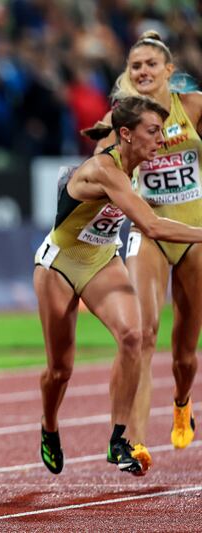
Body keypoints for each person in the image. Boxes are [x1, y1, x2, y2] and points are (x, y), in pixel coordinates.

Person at [34, 94, 202, 477]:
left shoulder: (134, 165)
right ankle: (49, 424)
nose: (160, 139)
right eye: (153, 131)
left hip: (101, 260)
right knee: (60, 370)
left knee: (134, 335)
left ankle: (119, 439)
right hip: (59, 266)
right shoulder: (105, 170)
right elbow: (154, 226)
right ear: (126, 135)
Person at [83, 31, 202, 474]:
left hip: (192, 232)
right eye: (136, 66)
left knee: (185, 352)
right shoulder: (124, 118)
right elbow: (101, 157)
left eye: (152, 64)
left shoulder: (192, 108)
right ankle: (132, 441)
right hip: (149, 233)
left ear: (169, 71)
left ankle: (182, 402)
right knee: (144, 334)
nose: (144, 71)